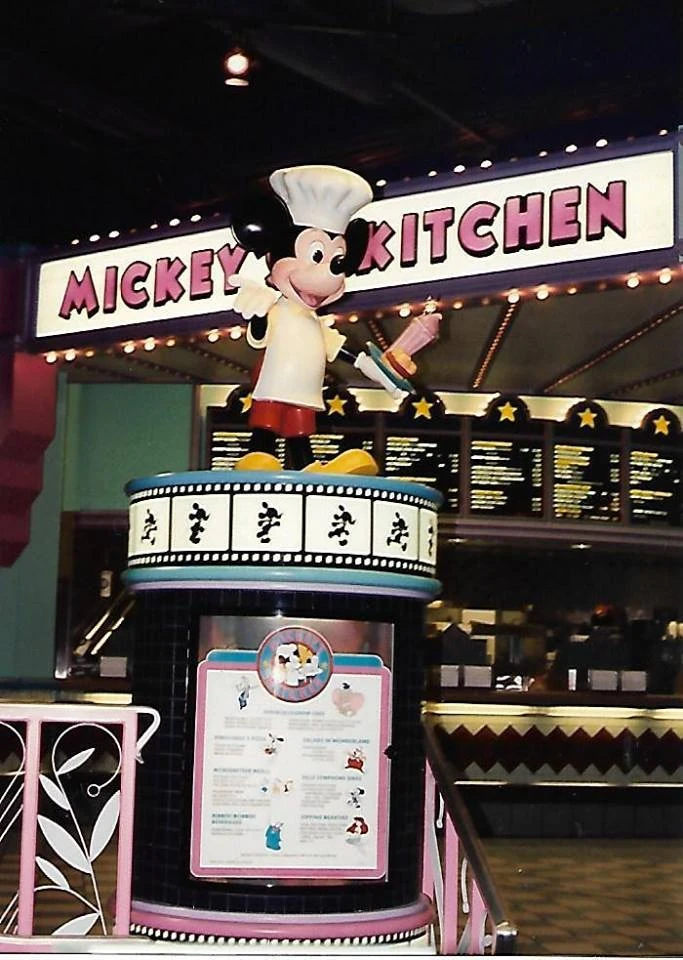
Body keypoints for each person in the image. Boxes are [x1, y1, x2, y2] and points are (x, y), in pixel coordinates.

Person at [229, 164, 408, 474]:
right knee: (267, 422)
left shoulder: (317, 324)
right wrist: (258, 314)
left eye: (337, 261)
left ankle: (308, 467)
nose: (330, 276)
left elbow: (342, 349)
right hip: (272, 383)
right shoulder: (277, 308)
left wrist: (376, 369)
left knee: (300, 428)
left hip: (305, 389)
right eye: (316, 255)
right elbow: (259, 336)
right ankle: (257, 456)